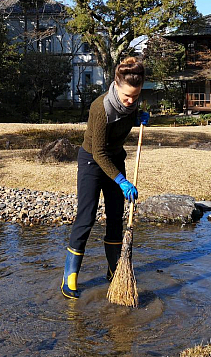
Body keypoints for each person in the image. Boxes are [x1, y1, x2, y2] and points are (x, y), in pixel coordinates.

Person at [61, 57, 150, 299]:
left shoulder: (133, 101)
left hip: (116, 159)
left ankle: (115, 270)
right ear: (115, 85)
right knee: (86, 216)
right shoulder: (100, 108)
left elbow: (129, 115)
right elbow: (99, 152)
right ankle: (70, 276)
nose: (131, 101)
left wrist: (139, 115)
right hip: (92, 160)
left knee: (115, 216)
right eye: (127, 97)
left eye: (136, 96)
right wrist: (121, 180)